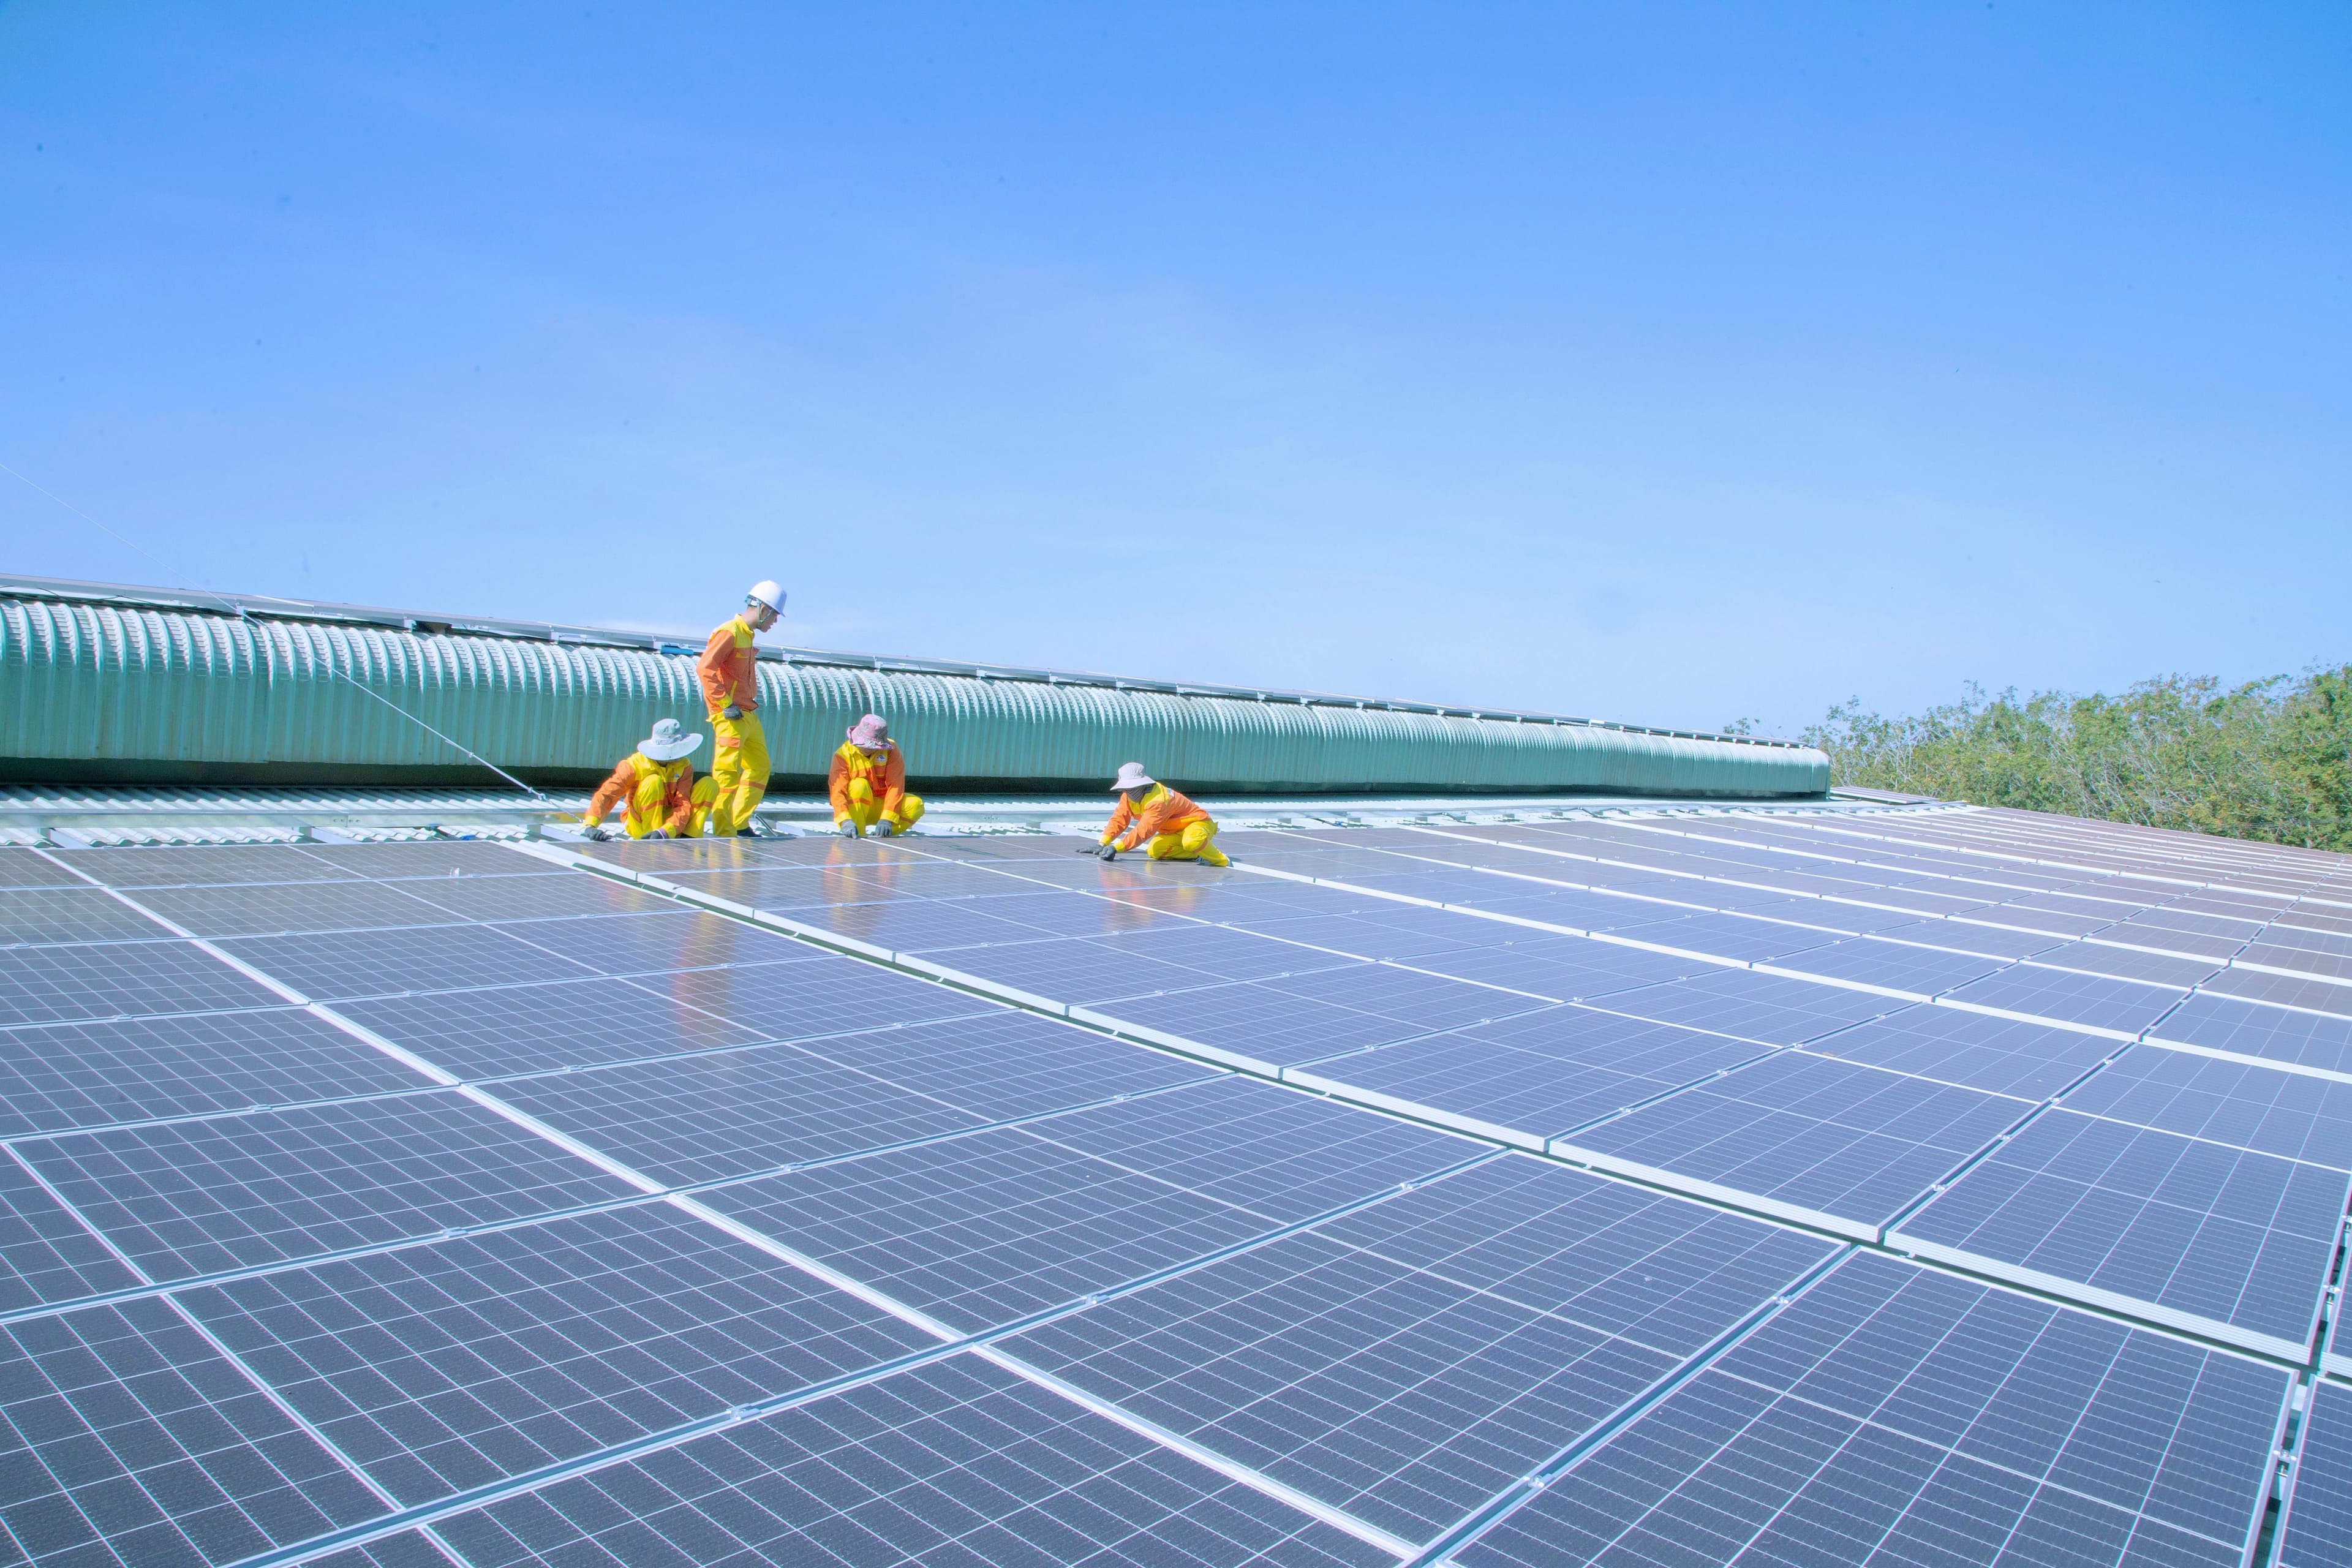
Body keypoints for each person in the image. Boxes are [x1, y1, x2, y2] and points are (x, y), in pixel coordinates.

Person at [698, 580, 785, 837]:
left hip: (747, 714)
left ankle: (738, 822)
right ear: (763, 609)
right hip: (730, 716)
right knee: (726, 775)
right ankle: (724, 831)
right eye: (775, 616)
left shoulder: (746, 635)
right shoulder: (730, 631)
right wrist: (725, 705)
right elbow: (705, 668)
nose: (775, 622)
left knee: (760, 767)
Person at [578, 718, 715, 842]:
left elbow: (683, 803)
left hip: (671, 826)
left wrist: (667, 831)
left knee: (709, 784)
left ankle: (688, 837)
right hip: (640, 824)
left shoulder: (684, 766)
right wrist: (590, 825)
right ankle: (649, 837)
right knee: (653, 781)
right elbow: (607, 795)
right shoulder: (633, 766)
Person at [1096, 762, 1227, 865]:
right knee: (1155, 850)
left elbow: (1143, 831)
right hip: (1173, 832)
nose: (1130, 791)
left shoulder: (1159, 800)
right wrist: (1103, 843)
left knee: (1192, 841)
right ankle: (1198, 854)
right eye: (1126, 788)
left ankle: (1222, 860)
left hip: (1197, 824)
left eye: (1133, 787)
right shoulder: (1128, 797)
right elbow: (1119, 819)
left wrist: (1116, 848)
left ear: (1143, 785)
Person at [831, 714, 924, 838]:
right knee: (859, 785)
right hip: (856, 810)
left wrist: (887, 818)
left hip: (882, 808)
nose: (868, 749)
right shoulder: (843, 755)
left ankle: (882, 835)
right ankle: (858, 835)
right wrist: (845, 820)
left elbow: (896, 786)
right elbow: (837, 792)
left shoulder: (891, 751)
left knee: (916, 805)